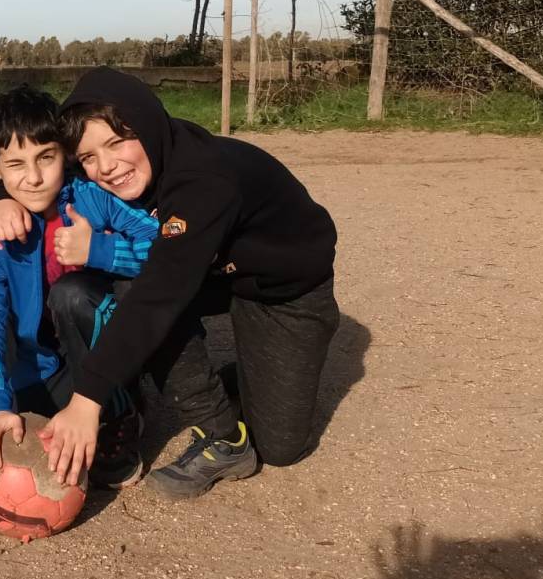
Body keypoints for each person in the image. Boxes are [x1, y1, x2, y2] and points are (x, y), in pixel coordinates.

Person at [49, 68, 340, 497]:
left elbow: (161, 295)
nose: (106, 167)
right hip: (215, 274)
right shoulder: (139, 165)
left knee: (281, 448)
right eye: (88, 157)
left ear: (147, 123)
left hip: (286, 290)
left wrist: (85, 397)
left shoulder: (203, 181)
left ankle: (248, 373)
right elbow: (23, 166)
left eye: (116, 142)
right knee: (133, 286)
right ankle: (225, 438)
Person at [0, 86, 156, 489]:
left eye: (45, 158)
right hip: (43, 366)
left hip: (101, 351)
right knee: (21, 425)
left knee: (72, 293)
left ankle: (118, 415)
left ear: (64, 153)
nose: (32, 177)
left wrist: (100, 250)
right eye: (15, 164)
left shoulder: (92, 198)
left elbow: (164, 249)